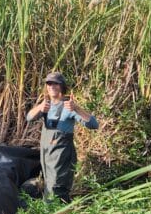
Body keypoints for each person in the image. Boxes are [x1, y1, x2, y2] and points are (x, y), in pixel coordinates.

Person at [26, 72, 98, 202]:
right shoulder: (46, 106)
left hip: (62, 157)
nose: (52, 86)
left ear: (62, 86)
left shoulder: (68, 107)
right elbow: (29, 118)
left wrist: (76, 108)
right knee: (50, 189)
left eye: (55, 83)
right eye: (49, 83)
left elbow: (93, 125)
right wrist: (40, 108)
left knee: (56, 191)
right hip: (47, 157)